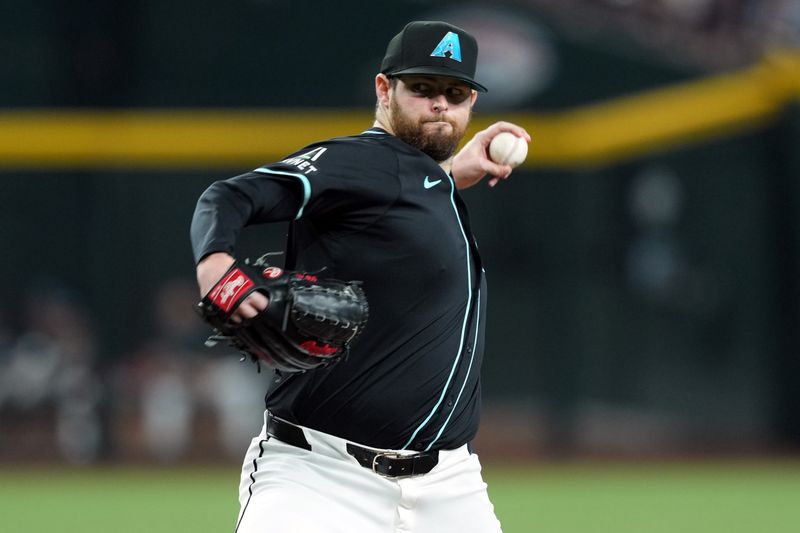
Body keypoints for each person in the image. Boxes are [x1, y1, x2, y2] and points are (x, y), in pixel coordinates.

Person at [190, 20, 530, 533]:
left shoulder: (426, 182)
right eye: (423, 89)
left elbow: (400, 206)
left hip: (451, 487)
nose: (440, 104)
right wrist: (216, 264)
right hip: (321, 477)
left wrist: (452, 172)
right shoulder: (360, 160)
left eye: (456, 93)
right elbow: (228, 197)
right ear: (384, 89)